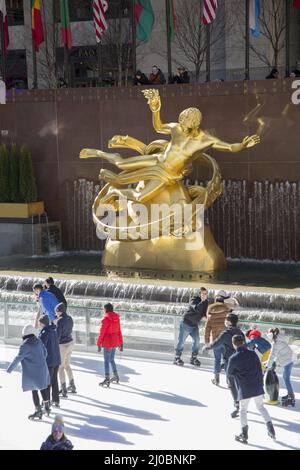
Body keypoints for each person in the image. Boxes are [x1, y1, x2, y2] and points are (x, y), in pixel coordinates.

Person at [80, 89, 260, 208]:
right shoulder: (176, 128)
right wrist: (155, 109)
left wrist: (243, 145)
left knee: (141, 198)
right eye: (181, 120)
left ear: (194, 121)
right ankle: (98, 153)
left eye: (185, 120)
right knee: (121, 163)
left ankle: (115, 192)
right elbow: (158, 127)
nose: (181, 123)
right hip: (156, 160)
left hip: (167, 174)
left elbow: (228, 147)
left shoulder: (205, 140)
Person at [227, 335, 275, 444]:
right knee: (261, 407)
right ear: (244, 342)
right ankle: (271, 429)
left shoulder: (233, 358)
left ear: (233, 344)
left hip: (245, 387)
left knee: (243, 410)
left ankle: (244, 434)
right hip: (257, 385)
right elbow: (259, 368)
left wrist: (238, 374)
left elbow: (229, 373)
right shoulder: (253, 354)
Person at [202, 313, 244, 418]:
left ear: (229, 321)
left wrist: (206, 347)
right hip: (241, 359)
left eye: (226, 320)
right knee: (239, 381)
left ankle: (237, 403)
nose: (224, 321)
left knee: (231, 383)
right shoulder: (240, 332)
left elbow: (215, 344)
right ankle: (241, 402)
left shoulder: (226, 333)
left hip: (231, 362)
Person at [6, 324, 50, 420]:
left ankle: (38, 411)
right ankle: (47, 406)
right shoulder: (38, 341)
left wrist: (9, 370)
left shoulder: (25, 345)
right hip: (42, 369)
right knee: (43, 387)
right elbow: (45, 352)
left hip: (33, 372)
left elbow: (17, 358)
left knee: (34, 390)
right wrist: (40, 361)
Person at [204, 290, 236, 385]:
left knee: (217, 360)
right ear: (223, 300)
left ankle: (216, 379)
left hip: (215, 340)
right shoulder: (228, 311)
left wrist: (206, 342)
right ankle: (229, 381)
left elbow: (207, 330)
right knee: (227, 360)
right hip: (227, 340)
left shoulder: (210, 313)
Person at [174, 287, 208, 366]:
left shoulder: (206, 302)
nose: (205, 295)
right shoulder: (194, 299)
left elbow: (205, 312)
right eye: (203, 294)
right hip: (186, 323)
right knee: (181, 342)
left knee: (197, 341)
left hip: (194, 325)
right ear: (199, 294)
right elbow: (196, 308)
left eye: (206, 294)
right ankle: (177, 358)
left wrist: (207, 316)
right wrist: (202, 301)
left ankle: (193, 358)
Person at [266, 327, 295, 406]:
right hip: (289, 360)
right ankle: (290, 395)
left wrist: (267, 366)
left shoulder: (276, 344)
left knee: (286, 379)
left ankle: (291, 398)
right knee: (286, 379)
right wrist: (269, 363)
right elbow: (278, 354)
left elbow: (272, 356)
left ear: (270, 335)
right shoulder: (280, 340)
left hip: (287, 362)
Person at [97, 303, 123, 387]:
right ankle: (115, 376)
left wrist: (99, 343)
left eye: (103, 309)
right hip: (115, 341)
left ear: (106, 309)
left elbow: (102, 333)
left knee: (106, 361)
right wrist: (121, 343)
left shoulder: (106, 319)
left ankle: (107, 379)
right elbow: (119, 331)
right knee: (111, 359)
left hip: (108, 342)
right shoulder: (117, 318)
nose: (103, 310)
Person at [39, 315, 61, 408]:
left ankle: (46, 401)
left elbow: (40, 346)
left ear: (42, 323)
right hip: (56, 359)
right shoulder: (53, 330)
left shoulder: (45, 332)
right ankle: (56, 400)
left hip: (49, 361)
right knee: (54, 380)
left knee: (47, 381)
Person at [55, 302, 76, 397]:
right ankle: (72, 385)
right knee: (67, 365)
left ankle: (63, 389)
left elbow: (58, 335)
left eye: (56, 312)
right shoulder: (70, 318)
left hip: (63, 345)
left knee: (60, 367)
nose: (56, 314)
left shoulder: (60, 320)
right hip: (70, 343)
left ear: (59, 311)